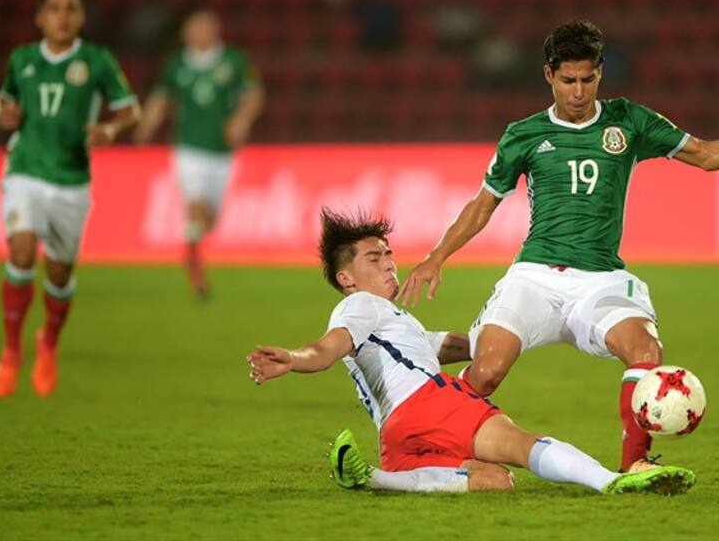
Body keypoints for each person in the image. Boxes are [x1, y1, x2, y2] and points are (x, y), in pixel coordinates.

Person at [398, 20, 719, 472]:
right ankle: (435, 443)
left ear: (600, 73)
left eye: (588, 79)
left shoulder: (629, 121)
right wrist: (436, 257)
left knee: (646, 352)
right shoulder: (524, 135)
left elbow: (706, 154)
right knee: (487, 371)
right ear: (549, 75)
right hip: (536, 277)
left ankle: (636, 466)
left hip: (601, 279)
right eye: (568, 80)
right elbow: (482, 205)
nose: (578, 91)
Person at [246, 209, 695, 495]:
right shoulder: (360, 307)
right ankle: (613, 481)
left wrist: (536, 327)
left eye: (388, 254)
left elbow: (462, 346)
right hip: (430, 405)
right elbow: (326, 349)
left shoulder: (394, 326)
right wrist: (295, 358)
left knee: (495, 480)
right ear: (347, 278)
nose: (389, 263)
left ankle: (376, 477)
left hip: (396, 439)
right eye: (374, 258)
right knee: (522, 446)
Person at [0, 0, 139, 398]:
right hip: (25, 170)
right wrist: (3, 112)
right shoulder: (21, 59)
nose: (63, 16)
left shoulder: (96, 60)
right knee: (20, 251)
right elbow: (5, 101)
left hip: (71, 181)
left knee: (59, 272)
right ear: (40, 17)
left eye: (71, 8)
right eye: (54, 9)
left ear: (82, 17)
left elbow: (131, 110)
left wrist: (110, 127)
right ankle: (10, 351)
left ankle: (48, 346)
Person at [134, 9, 264, 298]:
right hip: (188, 149)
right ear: (185, 33)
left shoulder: (233, 60)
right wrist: (147, 124)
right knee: (195, 207)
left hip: (222, 153)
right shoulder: (176, 64)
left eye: (207, 26)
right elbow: (163, 97)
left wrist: (241, 120)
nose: (202, 31)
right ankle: (196, 271)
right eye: (196, 27)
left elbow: (253, 94)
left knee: (209, 220)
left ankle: (193, 242)